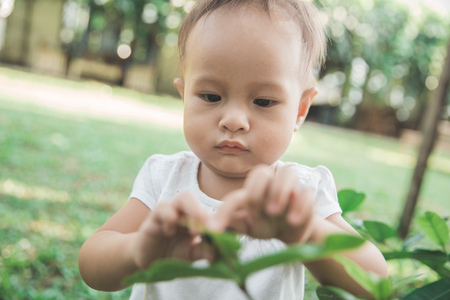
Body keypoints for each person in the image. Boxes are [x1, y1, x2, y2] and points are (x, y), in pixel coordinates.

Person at [78, 0, 388, 299]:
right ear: (184, 96)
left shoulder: (300, 193)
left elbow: (374, 282)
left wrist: (304, 231)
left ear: (300, 110)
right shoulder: (165, 177)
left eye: (263, 101)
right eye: (211, 96)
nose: (234, 120)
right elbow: (92, 263)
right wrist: (139, 250)